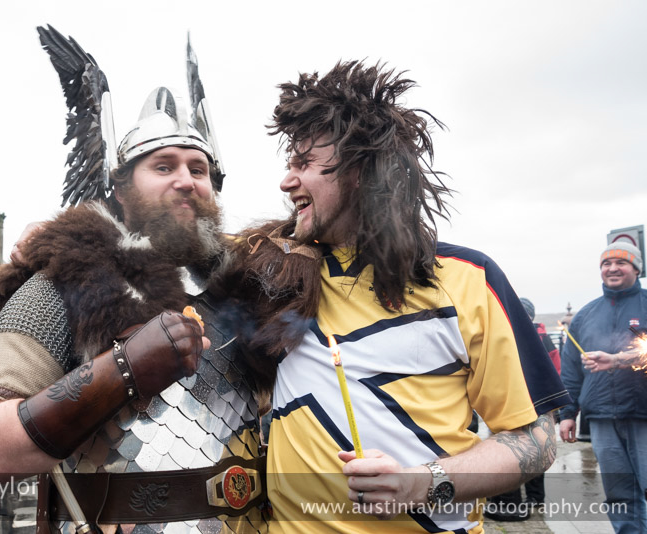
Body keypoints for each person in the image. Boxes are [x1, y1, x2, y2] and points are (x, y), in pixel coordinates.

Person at [241, 61, 570, 533]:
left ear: (358, 169)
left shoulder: (468, 279)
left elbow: (536, 441)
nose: (286, 181)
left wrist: (423, 483)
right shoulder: (276, 277)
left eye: (304, 164)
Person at [0, 26, 265, 534]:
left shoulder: (251, 289)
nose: (186, 180)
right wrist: (122, 369)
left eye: (199, 168)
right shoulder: (65, 282)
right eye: (163, 165)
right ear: (122, 190)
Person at [559, 241, 647, 534]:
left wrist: (619, 359)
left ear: (636, 267)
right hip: (602, 418)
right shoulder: (585, 315)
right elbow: (571, 370)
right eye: (606, 264)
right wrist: (569, 413)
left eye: (621, 263)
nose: (612, 268)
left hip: (643, 413)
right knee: (620, 494)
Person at [484, 297, 561, 521]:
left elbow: (554, 370)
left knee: (516, 450)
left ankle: (512, 502)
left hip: (522, 402)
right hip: (533, 402)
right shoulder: (543, 337)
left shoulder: (520, 336)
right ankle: (534, 498)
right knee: (536, 448)